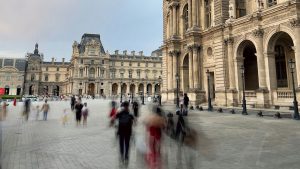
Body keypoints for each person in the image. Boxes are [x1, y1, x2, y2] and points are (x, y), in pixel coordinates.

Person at [114, 101, 135, 166]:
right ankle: (126, 157)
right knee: (127, 145)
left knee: (121, 145)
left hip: (121, 131)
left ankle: (122, 156)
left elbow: (113, 119)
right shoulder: (130, 114)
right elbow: (135, 122)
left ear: (122, 106)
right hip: (128, 132)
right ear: (128, 106)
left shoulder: (120, 113)